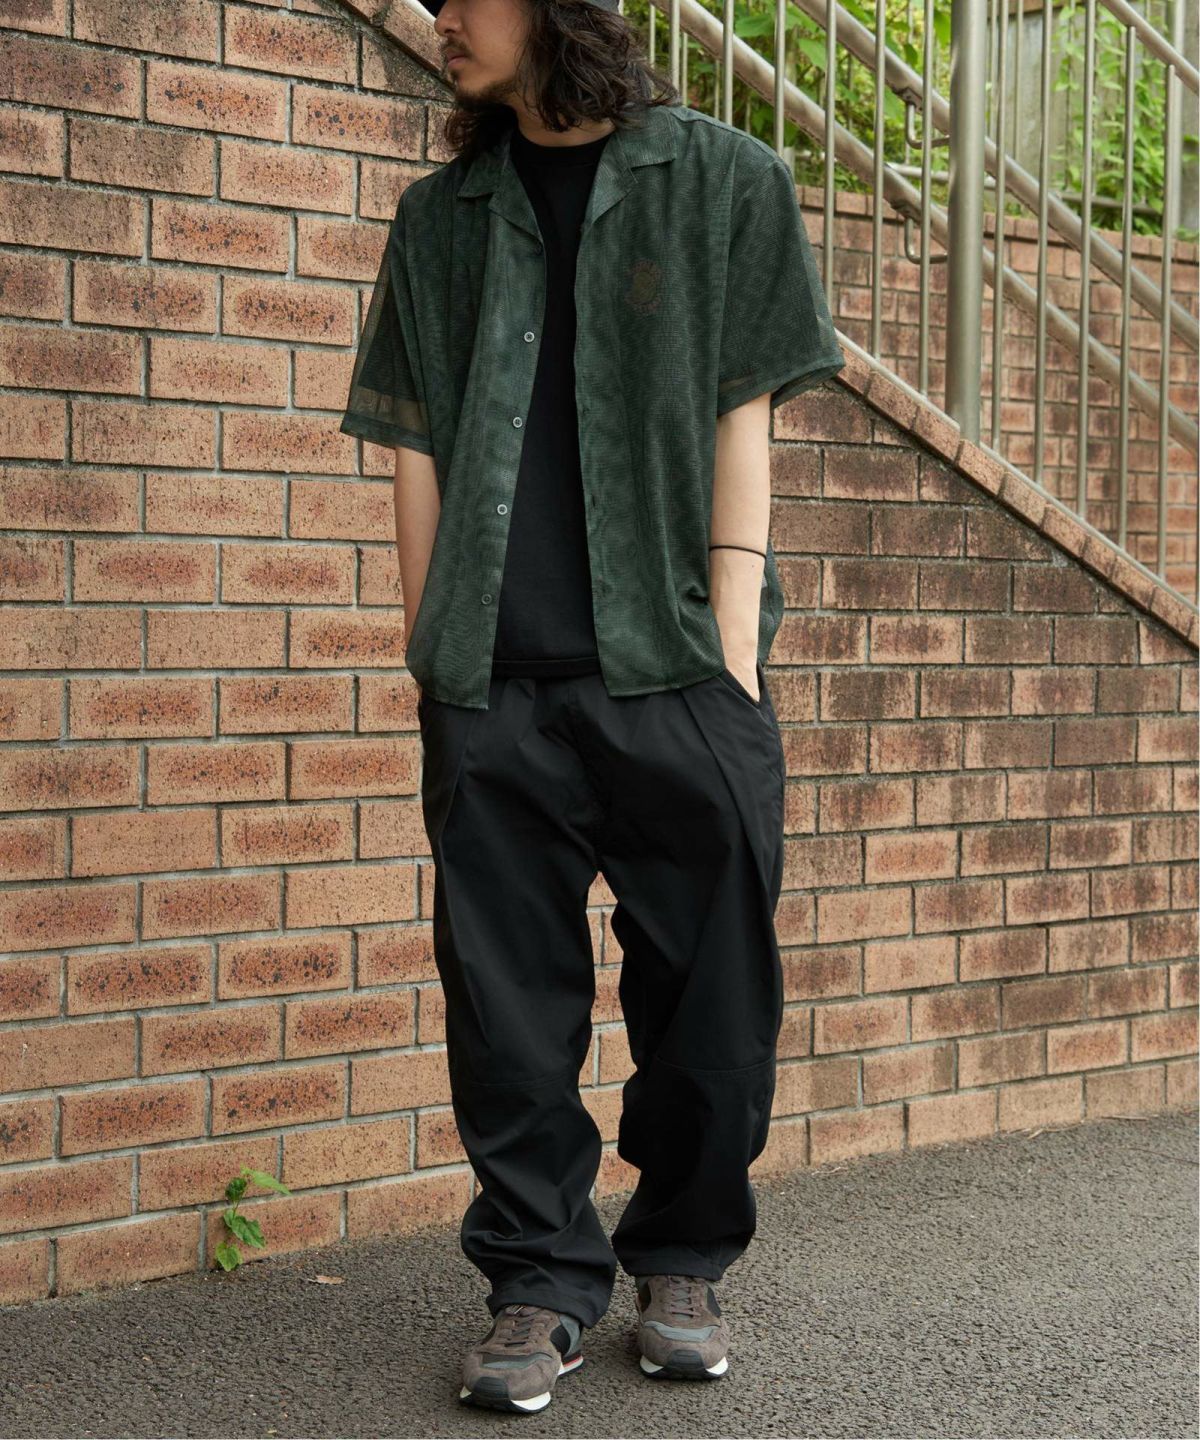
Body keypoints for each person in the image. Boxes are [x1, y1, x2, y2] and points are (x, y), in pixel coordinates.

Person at [339, 0, 845, 1414]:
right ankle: (537, 1282)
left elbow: (746, 400)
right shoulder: (440, 217)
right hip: (495, 683)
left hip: (680, 670)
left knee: (714, 1000)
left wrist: (731, 639)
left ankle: (681, 1258)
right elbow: (414, 441)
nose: (445, 16)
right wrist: (434, 649)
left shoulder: (726, 180)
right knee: (506, 1013)